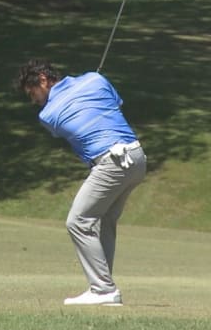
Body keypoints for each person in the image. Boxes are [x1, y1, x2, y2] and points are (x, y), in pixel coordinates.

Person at [15, 59, 146, 306]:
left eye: (33, 94)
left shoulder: (48, 115)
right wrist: (93, 82)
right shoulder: (96, 80)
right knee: (104, 221)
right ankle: (103, 287)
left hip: (111, 162)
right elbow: (116, 104)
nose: (34, 101)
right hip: (137, 158)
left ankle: (103, 289)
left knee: (78, 221)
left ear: (43, 80)